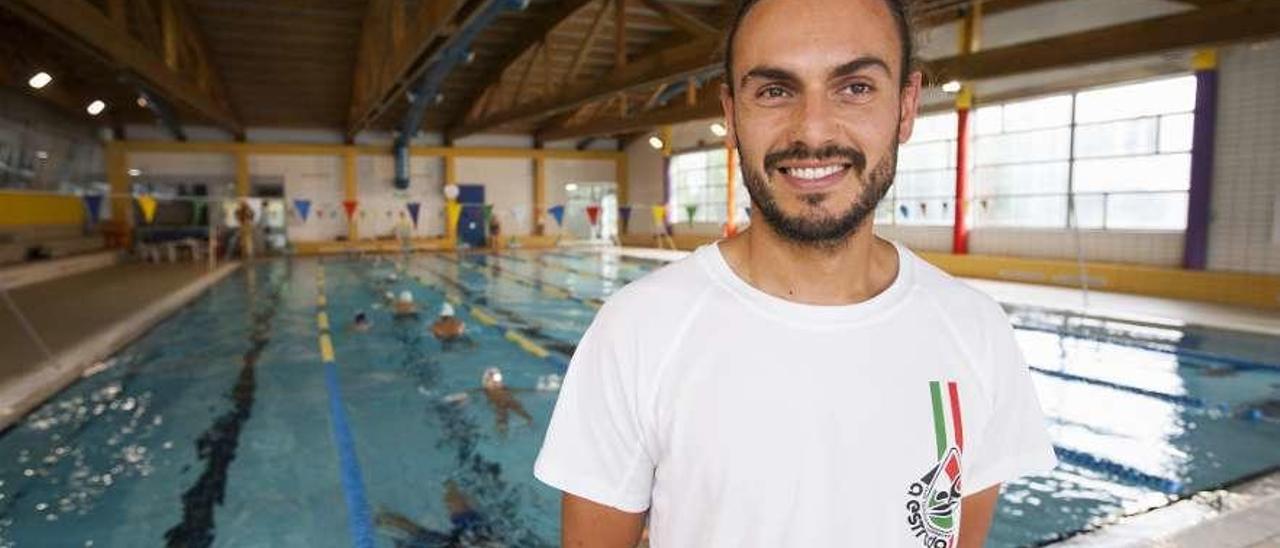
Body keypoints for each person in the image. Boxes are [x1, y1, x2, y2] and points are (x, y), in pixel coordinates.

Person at [534, 1, 1058, 546]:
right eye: (775, 90)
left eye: (854, 87)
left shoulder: (977, 332)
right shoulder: (638, 330)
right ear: (731, 114)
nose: (812, 131)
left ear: (906, 107)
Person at [481, 367, 532, 436]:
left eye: (498, 381)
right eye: (494, 381)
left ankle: (528, 421)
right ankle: (502, 429)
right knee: (502, 409)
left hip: (507, 402)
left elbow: (520, 391)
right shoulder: (485, 390)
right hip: (500, 404)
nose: (498, 383)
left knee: (513, 405)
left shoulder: (504, 388)